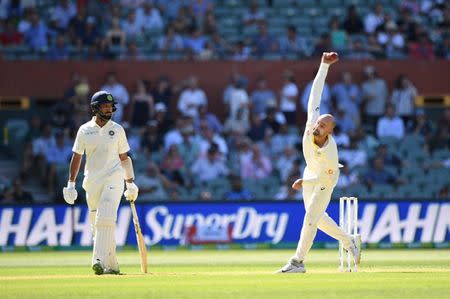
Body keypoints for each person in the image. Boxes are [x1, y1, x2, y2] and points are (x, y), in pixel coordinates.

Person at [277, 52, 361, 274]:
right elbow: (316, 93)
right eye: (319, 122)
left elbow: (325, 177)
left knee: (311, 218)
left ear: (330, 132)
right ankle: (349, 240)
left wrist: (305, 182)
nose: (318, 126)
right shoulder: (311, 123)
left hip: (325, 179)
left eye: (323, 126)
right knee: (318, 218)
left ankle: (298, 262)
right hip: (310, 170)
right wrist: (324, 65)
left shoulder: (330, 153)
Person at [62, 91, 139, 275]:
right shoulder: (84, 130)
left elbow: (124, 157)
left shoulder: (118, 129)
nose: (109, 109)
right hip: (92, 182)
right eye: (104, 106)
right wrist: (71, 183)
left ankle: (97, 260)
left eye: (110, 106)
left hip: (114, 178)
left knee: (105, 217)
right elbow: (77, 156)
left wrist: (130, 183)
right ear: (95, 108)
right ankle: (112, 265)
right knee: (98, 224)